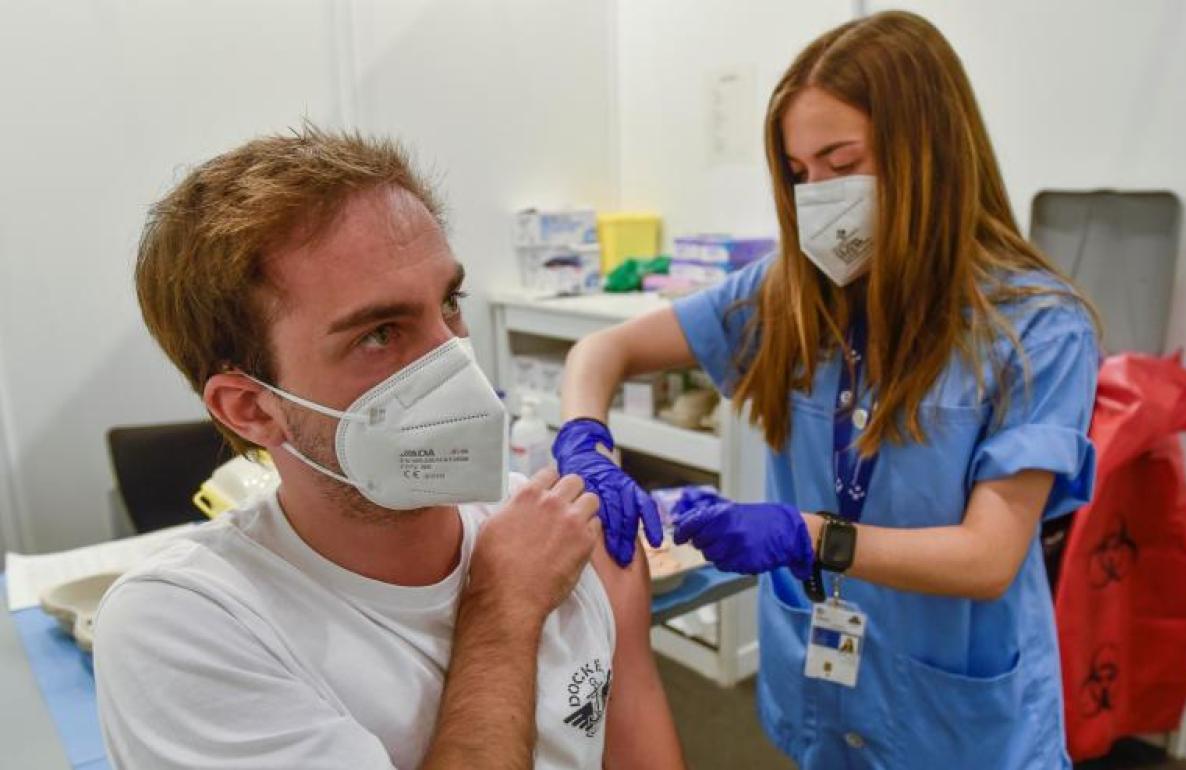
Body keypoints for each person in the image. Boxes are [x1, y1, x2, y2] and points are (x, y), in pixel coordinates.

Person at [554, 11, 1098, 769]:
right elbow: (601, 350)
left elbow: (989, 557)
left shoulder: (1035, 328)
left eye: (842, 163)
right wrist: (586, 440)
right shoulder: (789, 295)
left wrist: (805, 536)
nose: (818, 195)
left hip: (954, 712)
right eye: (801, 173)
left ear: (929, 153)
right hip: (826, 685)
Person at [94, 127, 684, 770]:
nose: (458, 363)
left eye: (450, 303)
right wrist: (504, 605)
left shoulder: (547, 528)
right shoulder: (182, 627)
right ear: (252, 408)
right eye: (379, 334)